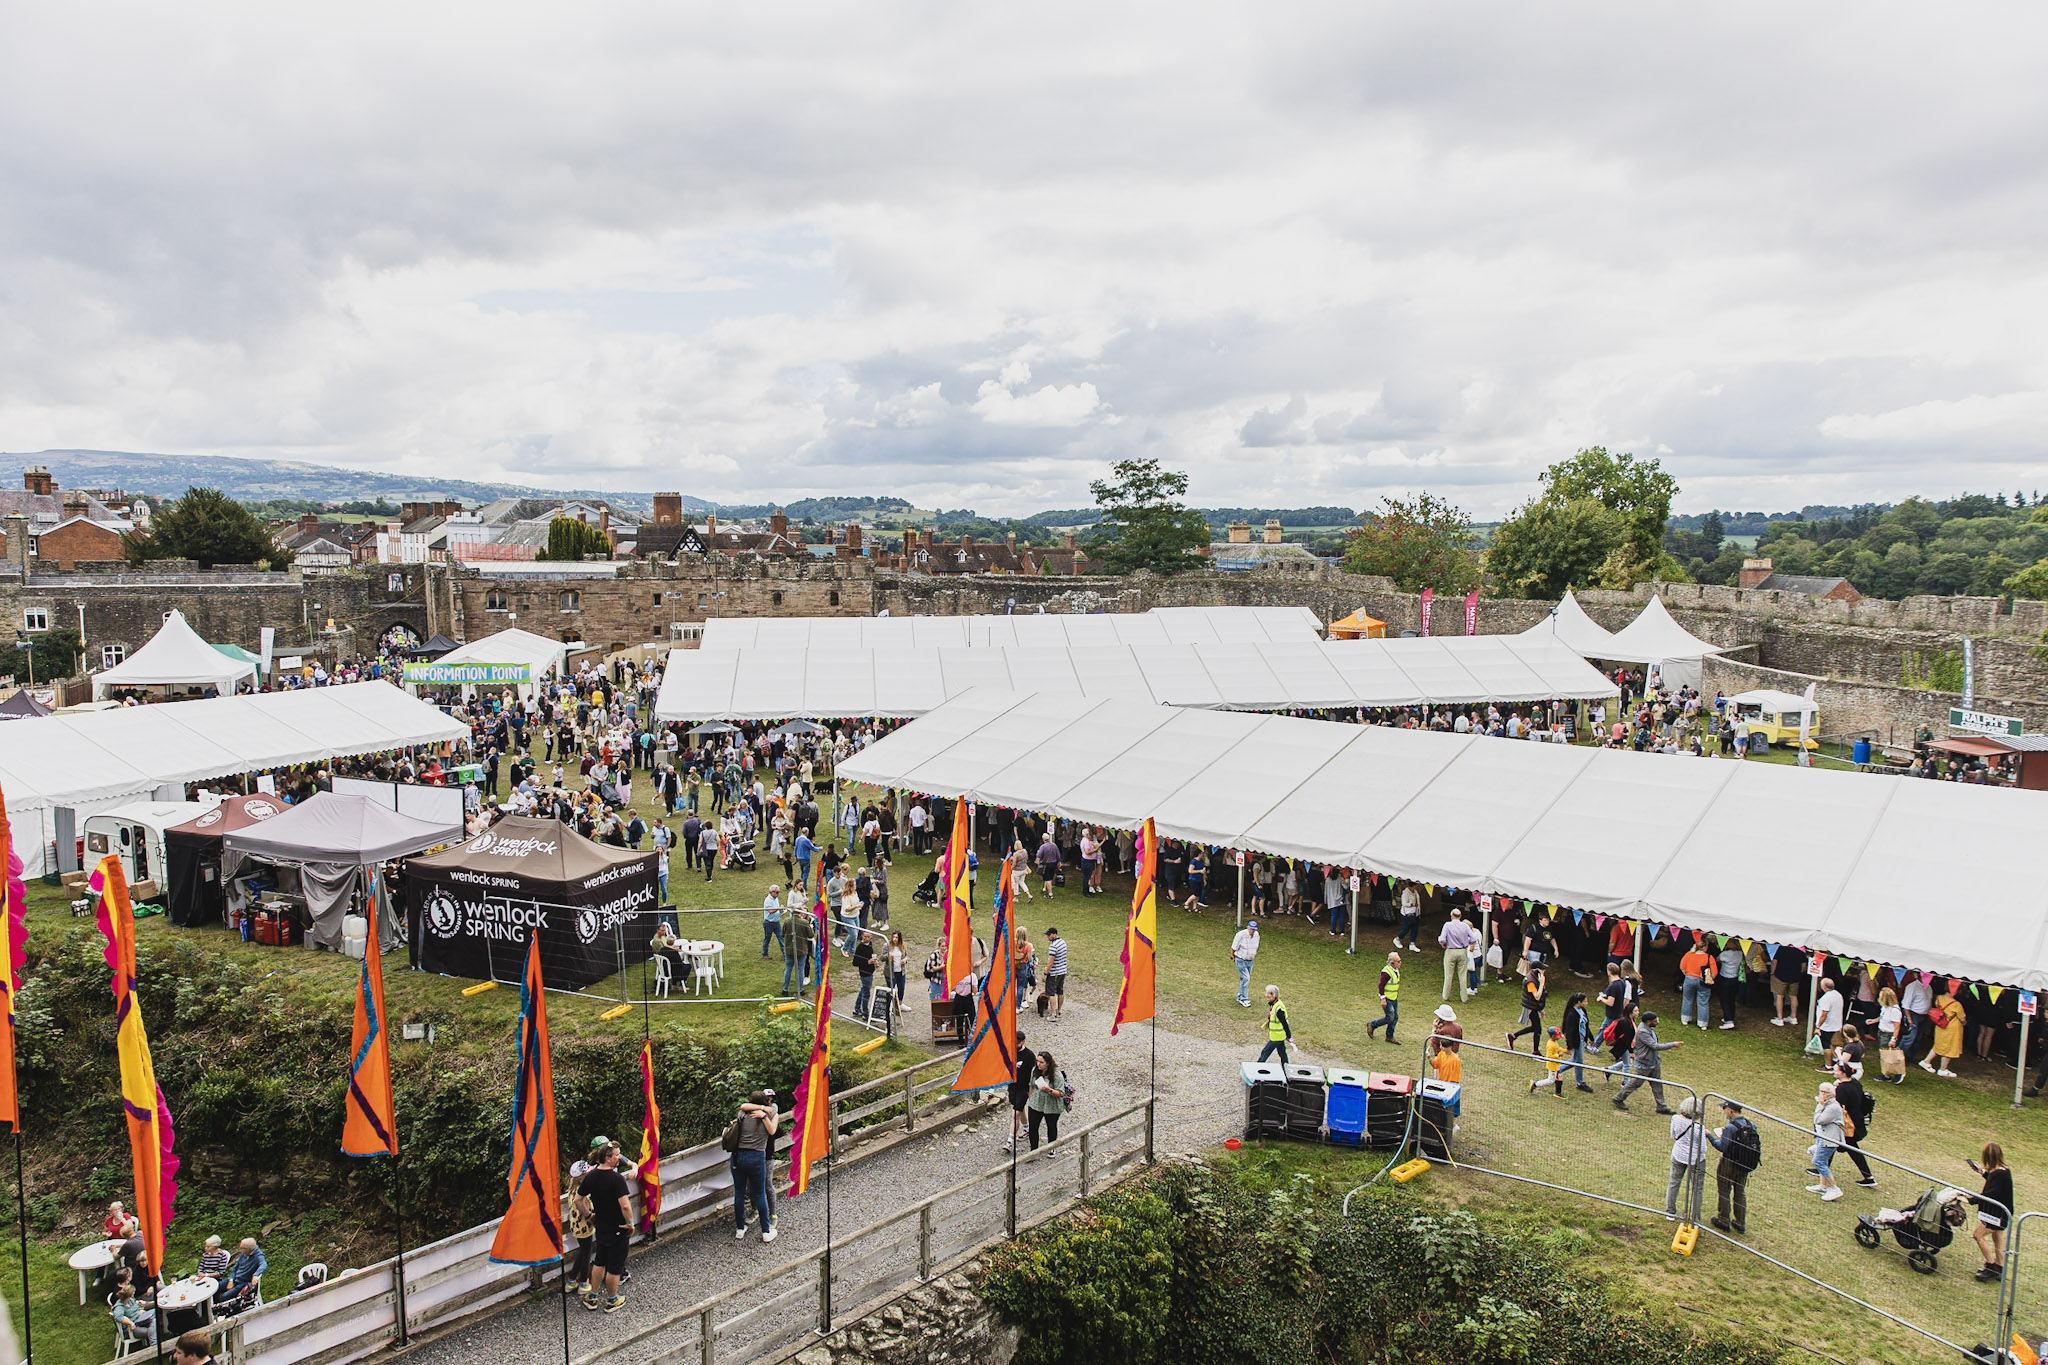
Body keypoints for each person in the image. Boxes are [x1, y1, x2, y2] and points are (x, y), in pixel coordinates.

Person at [580, 1141, 634, 1313]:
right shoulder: (616, 1179)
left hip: (601, 1224)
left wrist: (589, 1216)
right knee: (615, 1266)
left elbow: (577, 1200)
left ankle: (593, 1296)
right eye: (617, 1155)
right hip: (618, 1226)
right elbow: (625, 1206)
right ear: (607, 1158)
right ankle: (612, 1299)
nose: (619, 1158)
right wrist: (630, 1224)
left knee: (599, 1261)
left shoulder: (591, 1176)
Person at [1706, 1099, 1760, 1235]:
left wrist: (1710, 1137)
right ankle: (1740, 1222)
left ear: (1730, 1110)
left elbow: (1722, 1147)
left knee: (1724, 1190)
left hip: (1729, 1163)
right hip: (1745, 1164)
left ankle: (1724, 1219)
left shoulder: (1731, 1128)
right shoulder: (1751, 1125)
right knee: (1740, 1192)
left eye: (1724, 1109)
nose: (1724, 1112)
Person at [731, 1091, 779, 1243]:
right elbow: (772, 1130)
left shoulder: (742, 1114)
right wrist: (764, 1114)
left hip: (738, 1157)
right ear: (766, 1102)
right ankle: (765, 1231)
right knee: (760, 1194)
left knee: (739, 1193)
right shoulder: (769, 1115)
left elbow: (743, 1106)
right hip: (757, 1157)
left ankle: (740, 1228)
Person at [1613, 1009, 1679, 1113]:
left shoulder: (1648, 1028)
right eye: (1655, 1020)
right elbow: (1655, 1046)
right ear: (1649, 1022)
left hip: (1653, 1062)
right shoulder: (1643, 1031)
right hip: (1644, 1064)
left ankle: (1661, 1106)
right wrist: (1673, 1044)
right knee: (1635, 1083)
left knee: (1657, 1084)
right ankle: (1618, 1098)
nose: (1657, 1021)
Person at [1967, 1143, 2013, 1282]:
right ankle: (2000, 1268)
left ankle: (1992, 1267)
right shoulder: (2004, 1171)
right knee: (1998, 1239)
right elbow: (1994, 1184)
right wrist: (1982, 1172)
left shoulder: (1998, 1174)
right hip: (2003, 1214)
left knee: (1978, 1235)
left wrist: (1969, 1200)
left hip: (1996, 1215)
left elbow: (1989, 1195)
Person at [1832, 1061, 1877, 1188]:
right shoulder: (1855, 1083)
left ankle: (1821, 1167)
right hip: (1857, 1121)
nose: (1834, 1072)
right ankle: (1868, 1176)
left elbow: (1838, 1106)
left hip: (1848, 1125)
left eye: (1836, 1070)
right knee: (1847, 1148)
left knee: (1835, 1144)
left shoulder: (1842, 1089)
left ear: (1842, 1073)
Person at [1667, 1097, 1708, 1219]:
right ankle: (1694, 1217)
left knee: (1674, 1182)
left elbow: (1673, 1135)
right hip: (1695, 1159)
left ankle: (1670, 1212)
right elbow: (1703, 1148)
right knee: (1697, 1188)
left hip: (1678, 1154)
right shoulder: (1698, 1128)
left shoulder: (1675, 1119)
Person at [1807, 1082, 1845, 1202]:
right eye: (1821, 1091)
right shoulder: (1827, 1104)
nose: (1822, 1094)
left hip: (1829, 1140)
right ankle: (1823, 1186)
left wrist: (1819, 1105)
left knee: (1818, 1161)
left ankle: (1834, 1188)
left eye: (1825, 1092)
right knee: (1821, 1160)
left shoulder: (1832, 1107)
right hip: (1822, 1137)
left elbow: (1818, 1120)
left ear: (1831, 1094)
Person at [1920, 988, 1964, 1077]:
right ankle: (1943, 1069)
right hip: (1951, 1028)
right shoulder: (1956, 1004)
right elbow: (1962, 1018)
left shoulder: (1939, 998)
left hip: (1940, 1025)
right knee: (1949, 1047)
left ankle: (1926, 1061)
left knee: (1938, 1044)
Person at [1026, 1051, 1066, 1149]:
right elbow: (1031, 1085)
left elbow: (1061, 1093)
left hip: (1052, 1106)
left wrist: (1049, 1090)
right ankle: (1033, 1149)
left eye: (1041, 1062)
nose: (1038, 1064)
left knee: (1051, 1127)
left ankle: (1051, 1148)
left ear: (1048, 1063)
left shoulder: (1056, 1075)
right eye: (1037, 1061)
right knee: (1033, 1127)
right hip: (1036, 1104)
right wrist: (1031, 1099)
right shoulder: (1034, 1071)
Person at [1438, 907, 1479, 1004]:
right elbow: (1473, 938)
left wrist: (1444, 944)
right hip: (1462, 951)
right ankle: (1464, 998)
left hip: (1450, 951)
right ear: (1460, 916)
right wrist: (1466, 942)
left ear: (1451, 916)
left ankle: (1445, 995)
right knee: (1462, 975)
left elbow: (1442, 939)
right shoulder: (1465, 926)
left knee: (1448, 975)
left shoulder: (1447, 925)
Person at [215, 1237, 266, 1313]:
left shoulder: (258, 1256)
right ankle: (215, 1307)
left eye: (242, 1248)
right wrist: (231, 1279)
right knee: (216, 1288)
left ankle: (223, 1312)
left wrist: (256, 1275)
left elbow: (263, 1265)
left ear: (249, 1249)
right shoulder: (244, 1254)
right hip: (234, 1279)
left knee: (225, 1296)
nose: (240, 1249)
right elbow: (235, 1268)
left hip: (243, 1283)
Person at [1005, 1032, 1036, 1152]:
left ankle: (1009, 1141)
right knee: (1020, 1108)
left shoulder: (1029, 1056)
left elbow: (1034, 1073)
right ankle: (1027, 1128)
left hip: (1024, 1088)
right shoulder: (1009, 1051)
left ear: (1023, 1042)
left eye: (1018, 1042)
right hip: (1012, 1086)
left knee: (1015, 1114)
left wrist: (1031, 1091)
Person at [1504, 967, 1546, 1052]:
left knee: (1535, 1027)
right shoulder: (1531, 981)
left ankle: (1512, 1036)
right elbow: (1537, 996)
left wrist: (1541, 1009)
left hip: (1534, 1006)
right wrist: (1542, 984)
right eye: (1543, 969)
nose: (1544, 971)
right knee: (1538, 1029)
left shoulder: (1535, 977)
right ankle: (1535, 1051)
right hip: (1530, 1008)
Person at [1561, 992, 1596, 1092]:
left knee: (1577, 1061)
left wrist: (1591, 1038)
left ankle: (1557, 1071)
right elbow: (1569, 1031)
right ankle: (1579, 1082)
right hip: (1576, 1040)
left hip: (1581, 1039)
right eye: (1585, 1001)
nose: (1587, 1003)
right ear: (1579, 1002)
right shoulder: (1572, 1014)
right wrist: (1569, 1046)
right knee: (1578, 1061)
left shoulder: (1582, 1011)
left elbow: (1585, 1025)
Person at [1678, 938, 1715, 1031]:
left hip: (1689, 978)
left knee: (1687, 999)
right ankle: (1702, 1023)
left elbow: (1682, 967)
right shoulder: (1709, 957)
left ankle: (1685, 1018)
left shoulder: (1688, 955)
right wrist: (1709, 979)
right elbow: (1714, 972)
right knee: (1703, 1002)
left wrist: (1687, 974)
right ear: (1705, 947)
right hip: (1702, 981)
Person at [1366, 952, 1401, 1044]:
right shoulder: (1387, 972)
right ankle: (1372, 1025)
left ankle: (1389, 1036)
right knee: (1390, 1017)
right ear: (1392, 962)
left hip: (1393, 998)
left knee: (1395, 1017)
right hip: (1387, 998)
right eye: (1398, 961)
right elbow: (1381, 986)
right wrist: (1383, 998)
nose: (1400, 963)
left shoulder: (1395, 970)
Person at [1530, 1026, 1569, 1097]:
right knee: (1550, 1080)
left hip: (1556, 1064)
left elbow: (1558, 1048)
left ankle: (1558, 1092)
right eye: (1557, 1036)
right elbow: (1549, 1056)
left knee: (1559, 1077)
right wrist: (1558, 1055)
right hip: (1552, 1066)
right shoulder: (1550, 1045)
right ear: (1553, 1036)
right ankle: (1535, 1084)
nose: (1558, 1038)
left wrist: (1565, 1051)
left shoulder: (1554, 1042)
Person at [1772, 947, 1805, 1027]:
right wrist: (1797, 973)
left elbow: (1774, 962)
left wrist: (1772, 973)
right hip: (1795, 977)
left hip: (1780, 976)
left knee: (1779, 996)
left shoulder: (1782, 949)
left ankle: (1780, 1019)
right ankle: (1793, 1017)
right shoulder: (1801, 952)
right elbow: (1804, 966)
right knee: (1793, 996)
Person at [1260, 985, 1293, 1065]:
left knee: (1265, 1052)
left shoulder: (1278, 1008)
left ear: (1274, 995)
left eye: (1268, 994)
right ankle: (1286, 1068)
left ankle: (1257, 1068)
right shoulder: (1275, 1005)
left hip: (1277, 1036)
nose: (1266, 995)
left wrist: (1289, 1036)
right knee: (1282, 1053)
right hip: (1279, 1036)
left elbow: (1284, 1023)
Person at [1230, 920, 1260, 1007]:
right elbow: (1234, 946)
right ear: (1247, 927)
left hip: (1250, 960)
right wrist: (1232, 955)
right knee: (1246, 978)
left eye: (1254, 929)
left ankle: (1240, 995)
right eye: (1251, 929)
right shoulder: (1240, 935)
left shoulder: (1257, 935)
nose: (1252, 931)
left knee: (1245, 979)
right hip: (1240, 959)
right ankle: (1243, 998)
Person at [850, 932, 878, 1021]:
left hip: (870, 971)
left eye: (869, 937)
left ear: (871, 937)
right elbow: (855, 963)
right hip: (864, 973)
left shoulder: (870, 945)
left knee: (863, 990)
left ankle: (856, 1008)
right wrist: (867, 962)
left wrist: (874, 963)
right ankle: (865, 1013)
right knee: (866, 993)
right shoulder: (860, 948)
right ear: (862, 936)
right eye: (865, 937)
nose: (867, 939)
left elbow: (870, 956)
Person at [1043, 927, 1067, 1023]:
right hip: (1063, 971)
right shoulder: (1063, 942)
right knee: (1060, 991)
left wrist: (1045, 973)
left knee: (1050, 992)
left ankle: (1053, 1014)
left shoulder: (1053, 946)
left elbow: (1050, 962)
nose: (1048, 937)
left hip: (1054, 973)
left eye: (1049, 935)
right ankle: (1059, 1010)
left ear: (1054, 934)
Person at [1814, 977, 1845, 1052]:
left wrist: (1818, 1026)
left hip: (1827, 1026)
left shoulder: (1826, 998)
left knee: (1827, 1046)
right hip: (1837, 1024)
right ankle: (1837, 1060)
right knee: (1836, 1044)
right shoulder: (1838, 995)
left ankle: (1828, 1063)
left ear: (1823, 987)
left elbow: (1824, 1014)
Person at [1396, 881, 1421, 952]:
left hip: (1415, 913)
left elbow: (1418, 902)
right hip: (1407, 913)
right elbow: (1404, 903)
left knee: (1415, 929)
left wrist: (1419, 911)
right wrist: (1411, 904)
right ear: (1414, 885)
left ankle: (1412, 944)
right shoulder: (1406, 892)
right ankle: (1397, 939)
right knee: (1406, 928)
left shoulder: (1415, 892)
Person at [760, 885, 782, 957]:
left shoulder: (776, 898)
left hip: (776, 922)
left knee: (781, 938)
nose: (778, 894)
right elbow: (770, 911)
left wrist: (781, 910)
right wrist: (778, 908)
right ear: (771, 892)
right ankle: (765, 954)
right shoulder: (768, 900)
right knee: (767, 939)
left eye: (779, 892)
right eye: (777, 892)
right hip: (769, 923)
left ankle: (786, 956)